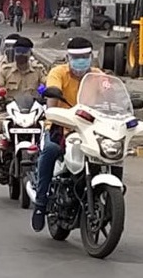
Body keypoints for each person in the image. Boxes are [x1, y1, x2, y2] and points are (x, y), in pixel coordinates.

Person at [32, 37, 101, 232]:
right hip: (60, 127)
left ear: (91, 57)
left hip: (89, 130)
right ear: (68, 57)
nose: (81, 61)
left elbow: (108, 97)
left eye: (85, 57)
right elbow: (51, 105)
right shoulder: (58, 73)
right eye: (76, 57)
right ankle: (40, 203)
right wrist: (54, 116)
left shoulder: (97, 76)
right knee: (51, 150)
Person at [0, 37, 46, 160]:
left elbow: (48, 83)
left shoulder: (38, 70)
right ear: (14, 52)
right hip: (10, 112)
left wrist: (46, 90)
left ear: (30, 53)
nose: (21, 55)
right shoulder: (5, 70)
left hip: (34, 112)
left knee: (49, 130)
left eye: (24, 52)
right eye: (18, 51)